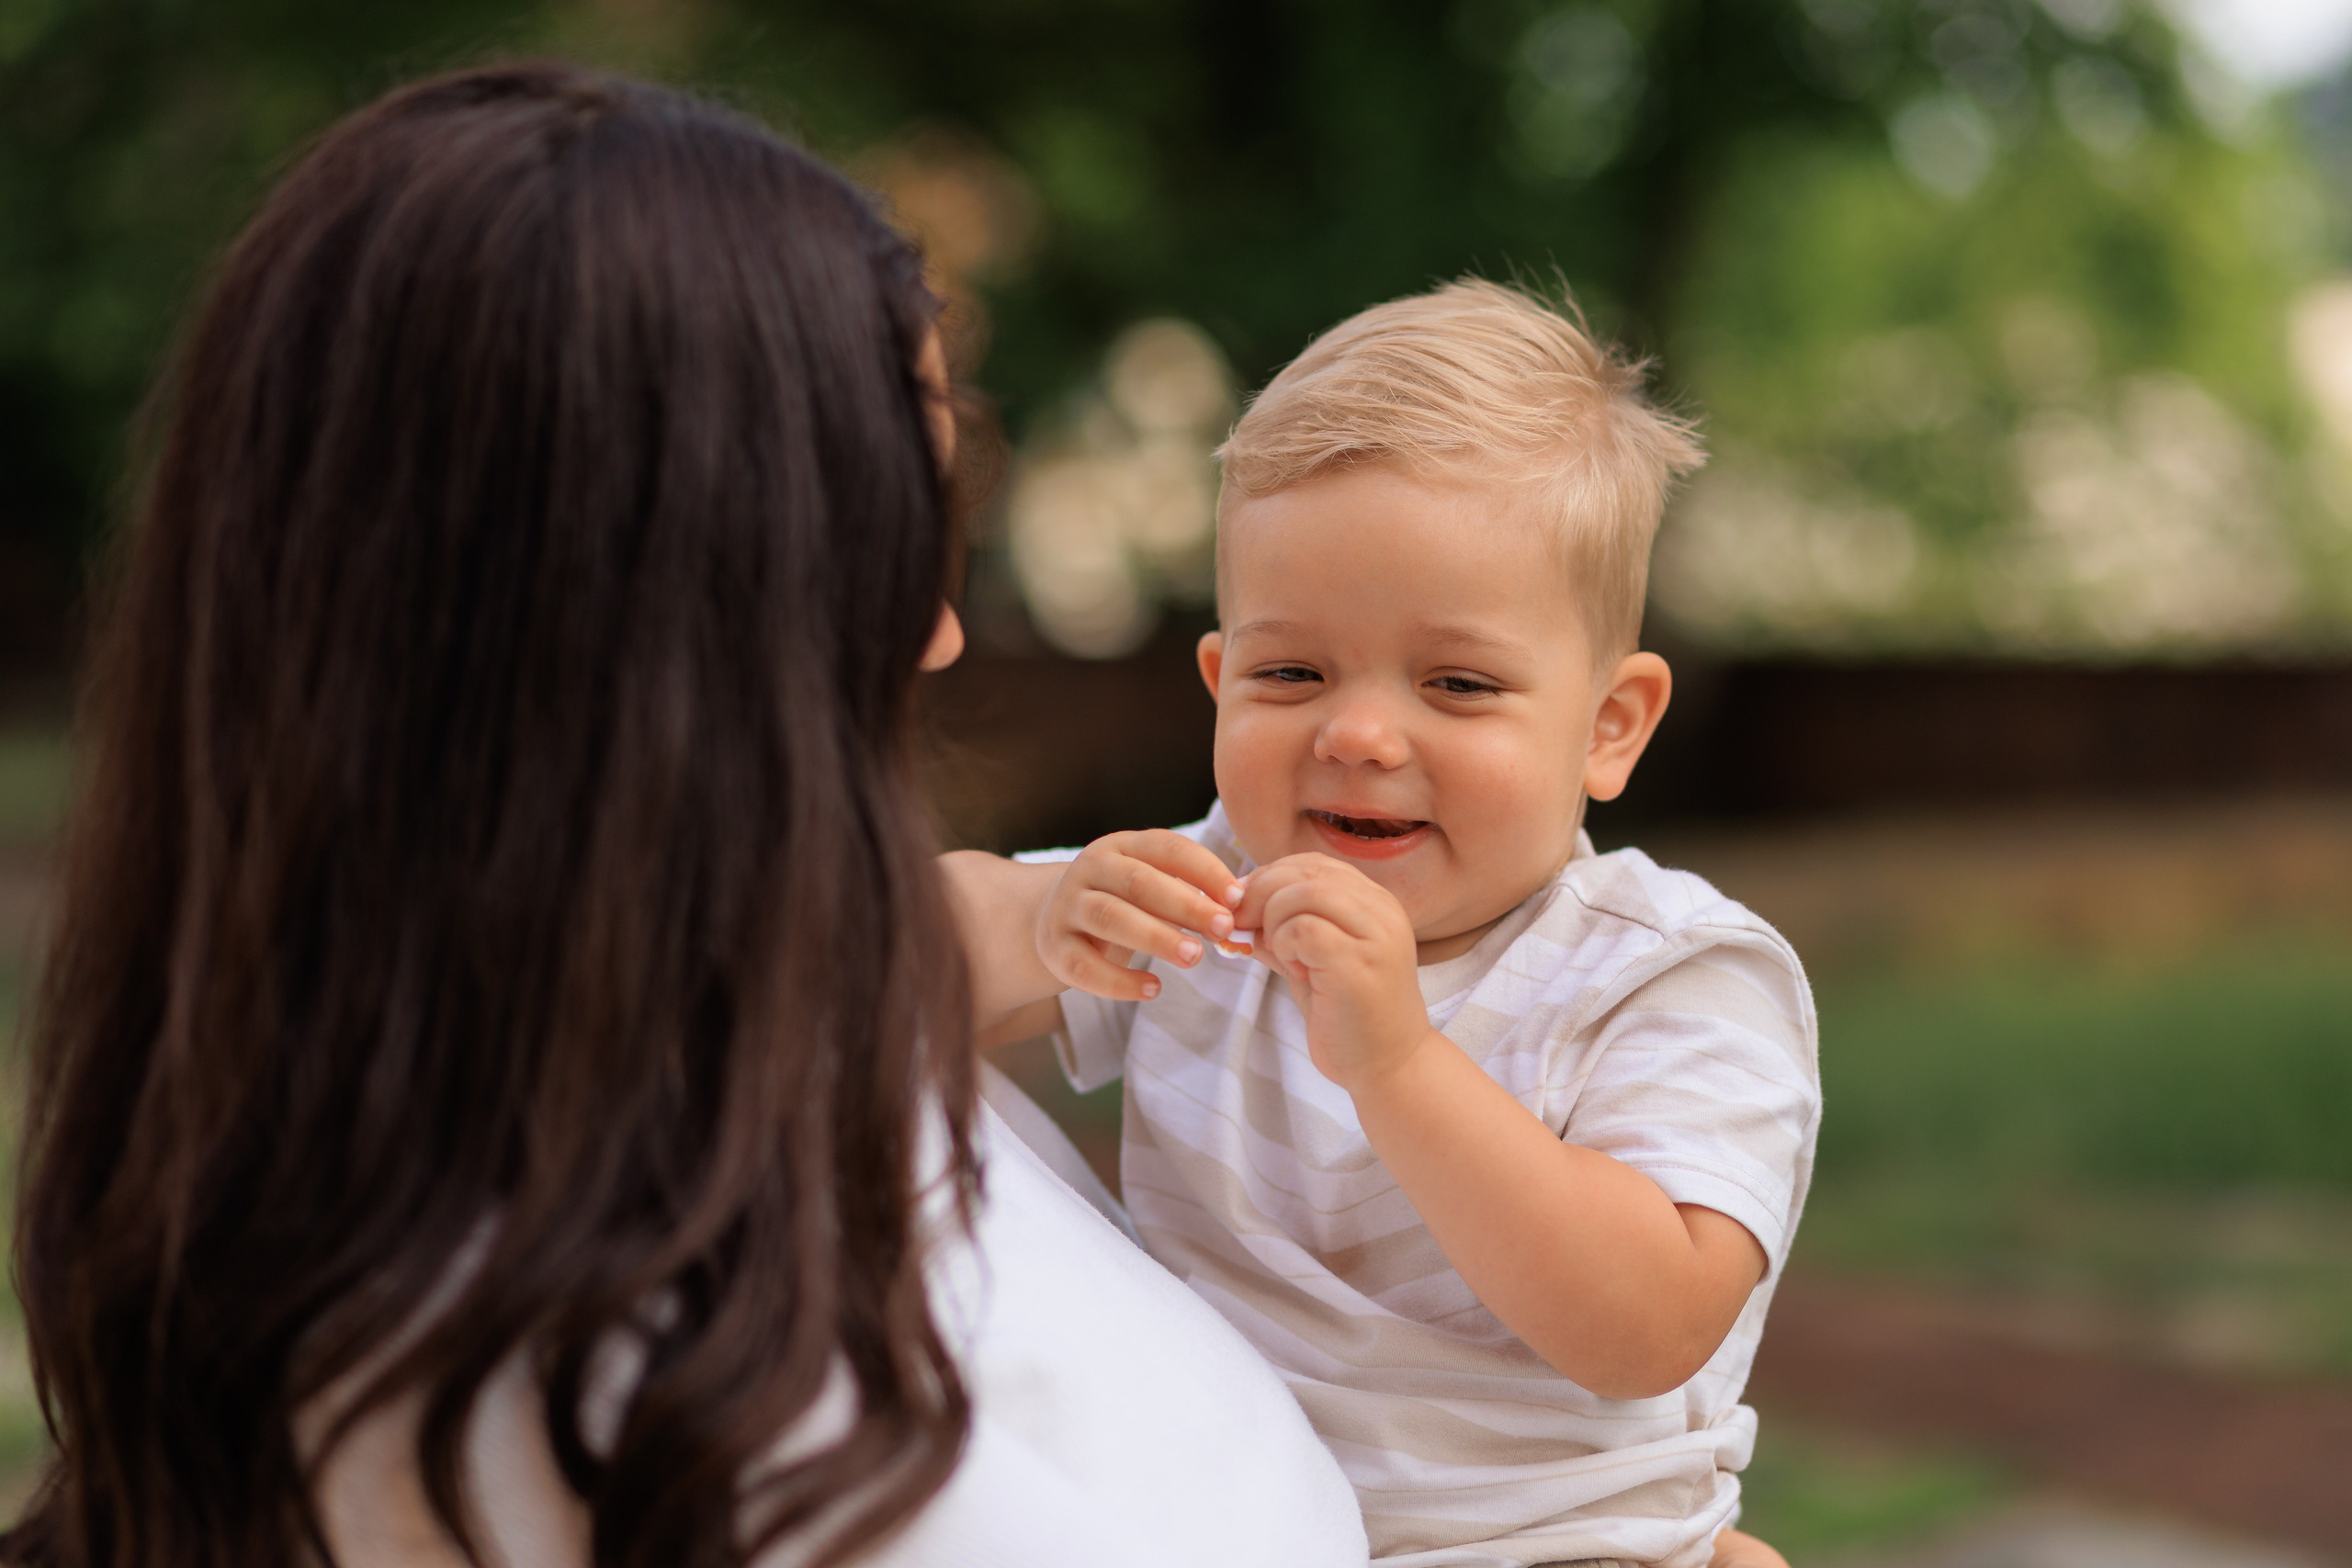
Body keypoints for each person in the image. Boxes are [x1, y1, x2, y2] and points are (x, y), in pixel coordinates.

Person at [4, 62, 1365, 1568]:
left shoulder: (510, 1115)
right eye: (901, 531)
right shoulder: (679, 1378)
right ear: (691, 621)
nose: (942, 638)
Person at [943, 281, 1820, 1568]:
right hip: (1228, 1528)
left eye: (1456, 685)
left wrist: (1402, 1064)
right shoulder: (1210, 895)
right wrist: (1037, 918)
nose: (1356, 734)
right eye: (1291, 673)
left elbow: (1648, 1326)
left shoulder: (1670, 974)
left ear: (1609, 726)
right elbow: (849, 957)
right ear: (1219, 682)